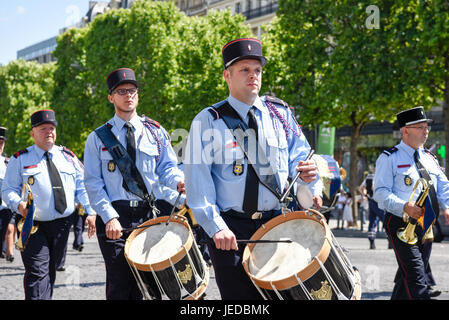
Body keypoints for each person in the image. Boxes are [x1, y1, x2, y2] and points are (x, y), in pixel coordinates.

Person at [184, 38, 319, 300]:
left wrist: (309, 179)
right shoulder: (208, 120)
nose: (253, 76)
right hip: (231, 229)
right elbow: (198, 183)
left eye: (257, 70)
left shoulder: (281, 114)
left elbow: (300, 156)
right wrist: (216, 227)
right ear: (227, 75)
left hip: (278, 223)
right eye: (244, 70)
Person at [83, 67, 185, 300]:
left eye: (132, 90)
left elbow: (167, 168)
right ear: (111, 97)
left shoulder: (155, 132)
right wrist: (109, 217)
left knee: (149, 282)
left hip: (149, 213)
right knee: (120, 284)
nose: (128, 95)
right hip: (115, 216)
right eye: (121, 91)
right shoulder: (97, 138)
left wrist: (179, 181)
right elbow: (93, 183)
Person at [1, 110, 95, 299]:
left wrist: (90, 213)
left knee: (50, 271)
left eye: (52, 128)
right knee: (37, 272)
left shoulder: (68, 157)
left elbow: (81, 187)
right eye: (43, 129)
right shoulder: (20, 159)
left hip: (62, 225)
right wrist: (19, 205)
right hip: (32, 225)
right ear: (33, 133)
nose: (49, 132)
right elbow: (8, 189)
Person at [373, 106, 449, 300]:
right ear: (405, 131)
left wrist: (447, 206)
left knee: (409, 276)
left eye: (427, 127)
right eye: (420, 127)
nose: (426, 132)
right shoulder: (389, 158)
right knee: (417, 277)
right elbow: (380, 193)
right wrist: (404, 206)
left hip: (426, 225)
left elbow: (443, 186)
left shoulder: (429, 158)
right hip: (401, 222)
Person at [360, 168, 385, 249]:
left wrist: (365, 195)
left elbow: (361, 188)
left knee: (372, 222)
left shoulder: (369, 176)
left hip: (371, 201)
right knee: (385, 221)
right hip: (379, 202)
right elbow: (374, 188)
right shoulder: (381, 175)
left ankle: (372, 242)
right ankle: (390, 243)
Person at [0, 126, 14, 262]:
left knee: (9, 229)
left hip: (5, 205)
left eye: (1, 143)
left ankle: (9, 253)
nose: (0, 146)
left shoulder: (8, 163)